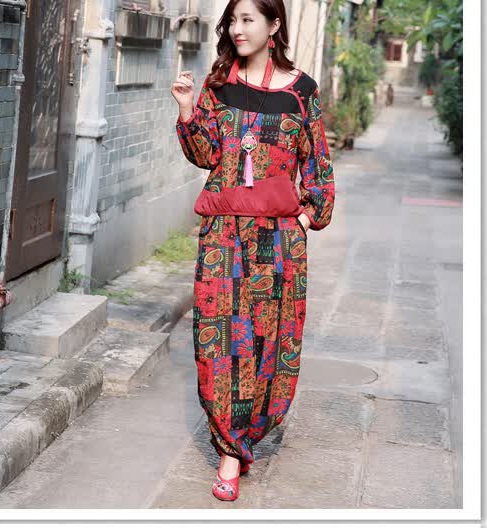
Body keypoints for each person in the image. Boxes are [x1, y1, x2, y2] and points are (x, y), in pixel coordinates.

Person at [170, 0, 335, 501]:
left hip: (278, 240)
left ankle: (246, 438)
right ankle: (228, 449)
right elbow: (206, 155)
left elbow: (318, 167)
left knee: (268, 342)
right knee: (219, 342)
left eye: (248, 20)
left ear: (274, 24)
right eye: (233, 21)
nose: (237, 30)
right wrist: (186, 108)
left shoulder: (302, 91)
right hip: (223, 235)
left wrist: (305, 218)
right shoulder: (219, 84)